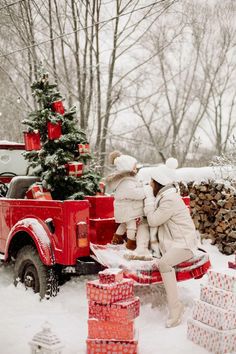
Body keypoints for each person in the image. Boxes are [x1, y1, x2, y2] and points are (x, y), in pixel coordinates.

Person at [144, 158, 198, 328]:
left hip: (184, 244)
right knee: (162, 261)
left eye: (151, 182)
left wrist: (148, 199)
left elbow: (153, 220)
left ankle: (176, 308)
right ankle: (175, 305)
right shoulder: (167, 197)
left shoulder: (169, 200)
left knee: (164, 263)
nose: (149, 185)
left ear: (158, 183)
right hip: (176, 243)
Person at [106, 151, 147, 251]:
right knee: (131, 226)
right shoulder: (126, 182)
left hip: (125, 208)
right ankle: (131, 244)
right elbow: (135, 193)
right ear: (127, 167)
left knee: (124, 224)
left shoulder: (126, 180)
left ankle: (116, 239)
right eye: (134, 166)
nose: (136, 168)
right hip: (128, 209)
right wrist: (145, 190)